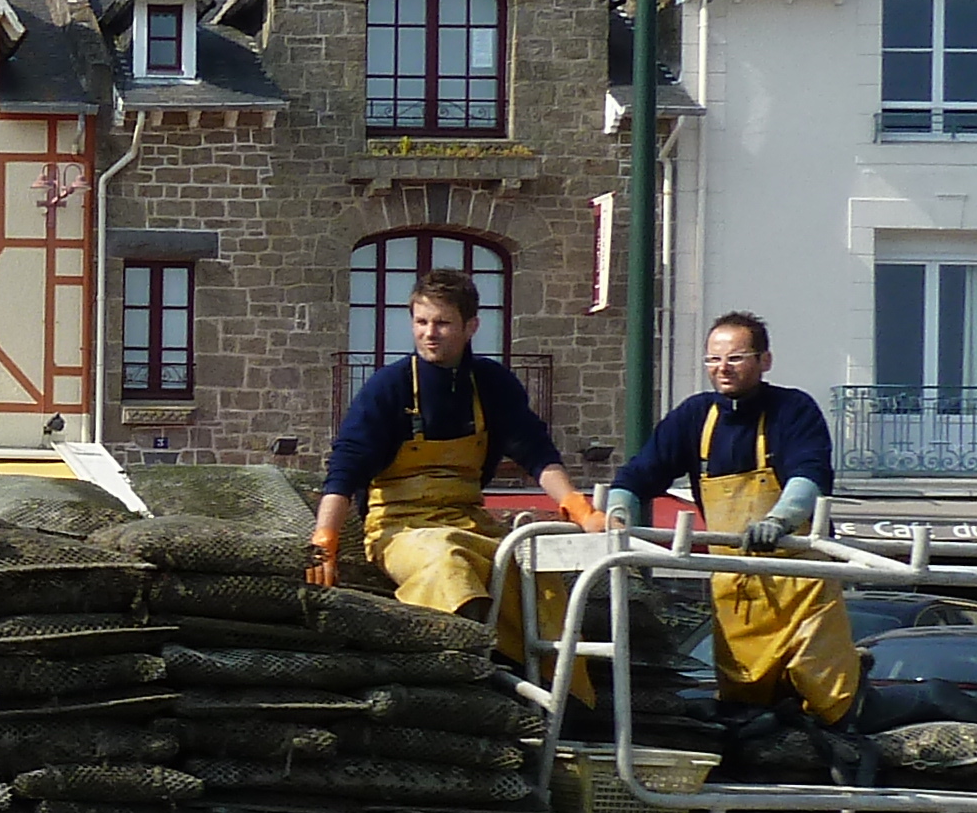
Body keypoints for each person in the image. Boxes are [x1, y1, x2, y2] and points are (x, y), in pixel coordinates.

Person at [602, 309, 859, 724]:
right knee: (744, 709)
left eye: (736, 358)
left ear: (765, 360)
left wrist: (779, 522)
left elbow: (809, 475)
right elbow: (638, 475)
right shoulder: (694, 417)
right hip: (735, 589)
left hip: (802, 584)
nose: (723, 369)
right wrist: (617, 513)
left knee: (825, 696)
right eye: (713, 360)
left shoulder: (793, 410)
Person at [311, 268, 606, 613]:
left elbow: (536, 452)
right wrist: (324, 539)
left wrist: (580, 508)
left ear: (471, 327)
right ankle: (461, 660)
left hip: (470, 524)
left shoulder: (493, 384)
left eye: (442, 323)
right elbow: (346, 471)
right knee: (448, 564)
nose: (429, 334)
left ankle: (543, 666)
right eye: (421, 322)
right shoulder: (387, 388)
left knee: (538, 585)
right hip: (399, 531)